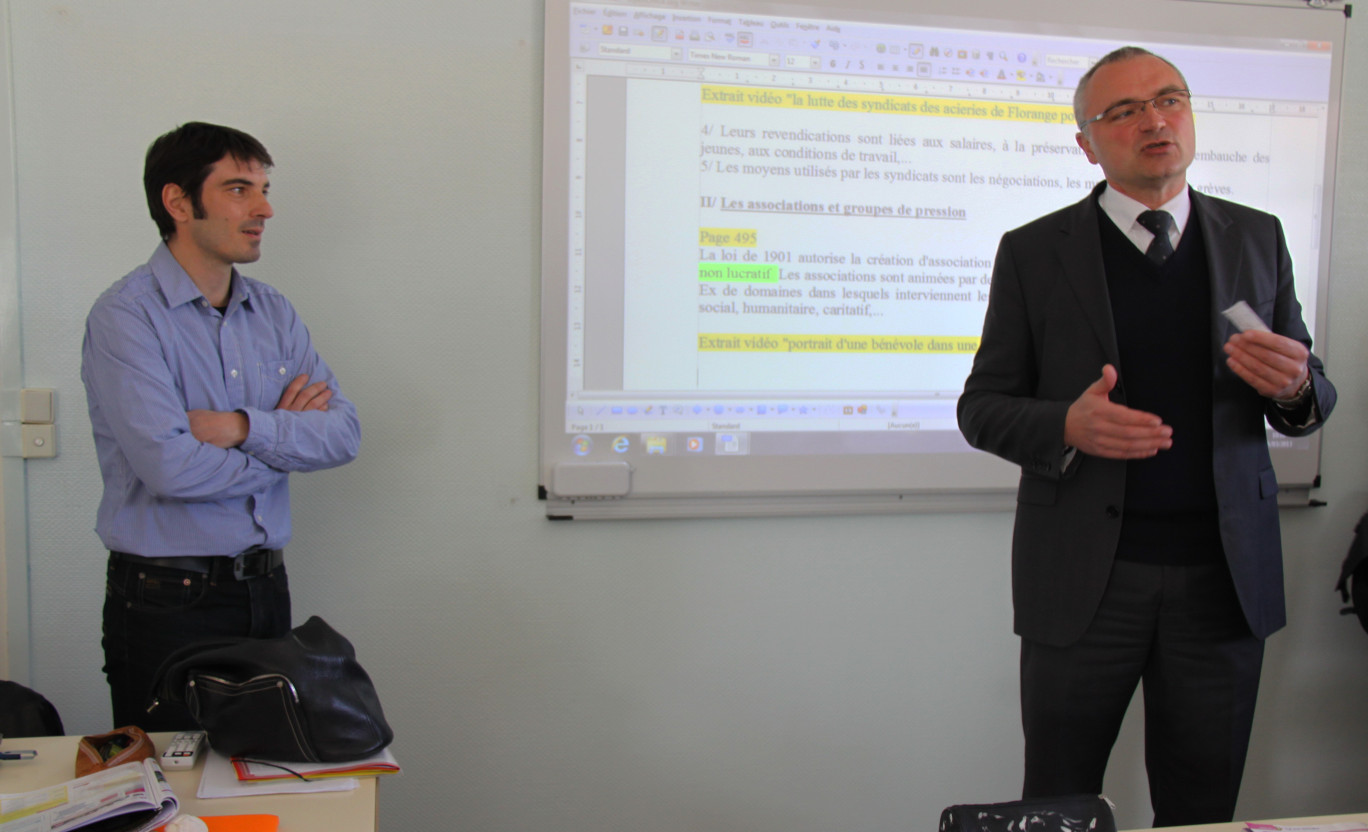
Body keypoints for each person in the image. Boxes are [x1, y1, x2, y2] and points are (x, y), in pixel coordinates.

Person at [957, 47, 1335, 826]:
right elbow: (982, 405)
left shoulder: (1256, 238)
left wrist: (1295, 387)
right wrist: (1066, 422)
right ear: (1087, 144)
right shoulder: (1034, 252)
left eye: (1169, 99)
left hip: (1223, 582)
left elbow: (1308, 394)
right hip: (1087, 585)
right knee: (1058, 802)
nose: (1154, 120)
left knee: (1202, 808)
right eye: (1123, 111)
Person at [81, 122, 361, 731]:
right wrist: (286, 441)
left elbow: (343, 435)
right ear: (178, 202)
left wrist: (239, 426)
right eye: (239, 189)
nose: (264, 208)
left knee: (261, 772)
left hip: (266, 587)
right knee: (173, 797)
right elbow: (170, 469)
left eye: (262, 188)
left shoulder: (273, 310)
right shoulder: (126, 317)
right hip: (167, 600)